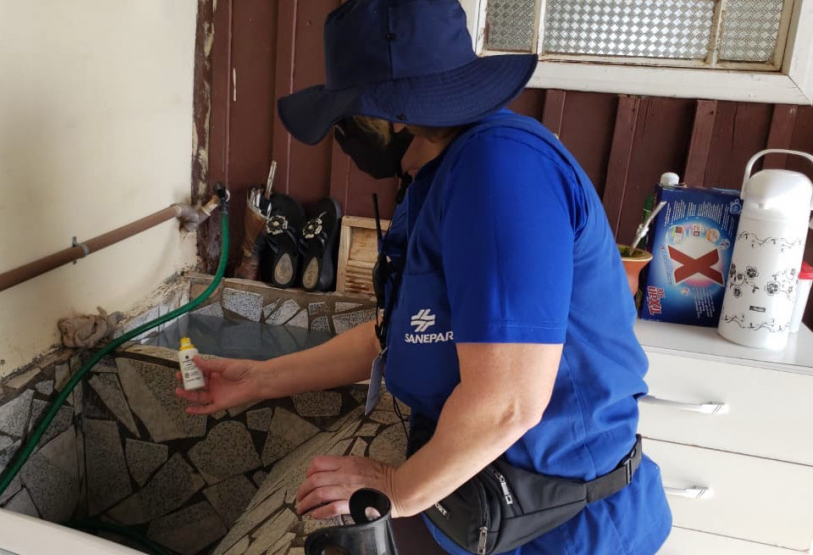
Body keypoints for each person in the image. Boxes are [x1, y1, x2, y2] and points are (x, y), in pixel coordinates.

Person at [175, 0, 673, 553]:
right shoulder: (442, 173)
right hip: (487, 501)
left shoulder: (499, 172)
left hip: (562, 527)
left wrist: (395, 488)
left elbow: (509, 402)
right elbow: (399, 334)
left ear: (392, 112)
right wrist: (259, 378)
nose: (343, 135)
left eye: (348, 115)